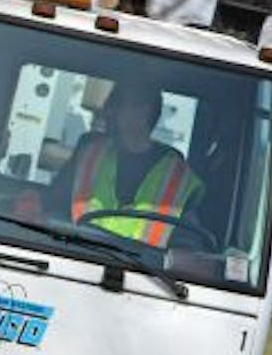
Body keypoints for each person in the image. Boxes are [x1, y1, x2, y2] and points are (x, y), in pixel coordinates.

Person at [48, 80, 205, 248]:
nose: (107, 111)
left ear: (144, 112)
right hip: (75, 257)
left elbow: (188, 245)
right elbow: (53, 206)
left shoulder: (178, 176)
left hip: (143, 271)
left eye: (117, 104)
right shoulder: (90, 153)